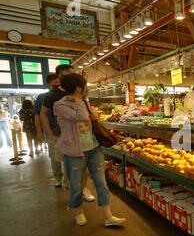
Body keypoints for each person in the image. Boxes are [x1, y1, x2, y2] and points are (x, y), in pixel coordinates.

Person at [54, 74, 126, 227]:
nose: (87, 89)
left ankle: (108, 216)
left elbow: (93, 118)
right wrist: (80, 101)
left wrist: (81, 101)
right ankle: (78, 211)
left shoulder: (82, 101)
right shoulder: (60, 105)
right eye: (84, 86)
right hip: (74, 151)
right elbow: (82, 116)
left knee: (101, 182)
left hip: (94, 148)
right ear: (78, 88)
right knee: (76, 184)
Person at [40, 65, 95, 202]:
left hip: (83, 135)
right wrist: (48, 132)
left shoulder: (78, 91)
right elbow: (42, 113)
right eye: (67, 75)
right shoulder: (52, 95)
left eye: (73, 74)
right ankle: (74, 193)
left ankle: (83, 189)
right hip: (63, 135)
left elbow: (85, 112)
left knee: (84, 167)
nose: (71, 78)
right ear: (59, 77)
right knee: (70, 168)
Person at [35, 74, 62, 185]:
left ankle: (67, 178)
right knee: (55, 157)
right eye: (54, 83)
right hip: (51, 131)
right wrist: (39, 132)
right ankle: (58, 178)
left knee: (67, 156)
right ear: (49, 84)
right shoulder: (42, 97)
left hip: (66, 131)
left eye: (58, 82)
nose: (56, 85)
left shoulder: (64, 95)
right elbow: (37, 115)